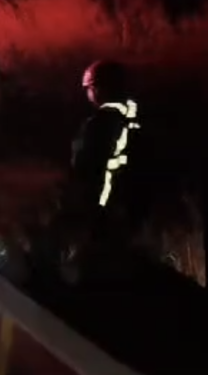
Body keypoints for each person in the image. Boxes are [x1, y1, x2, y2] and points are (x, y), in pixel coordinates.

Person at [57, 60, 145, 280]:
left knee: (88, 265)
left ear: (97, 89)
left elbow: (85, 165)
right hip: (128, 200)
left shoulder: (100, 122)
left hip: (100, 204)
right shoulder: (133, 116)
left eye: (89, 89)